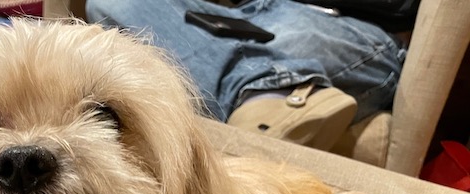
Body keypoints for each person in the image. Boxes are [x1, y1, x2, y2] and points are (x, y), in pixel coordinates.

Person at [85, 0, 412, 151]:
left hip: (347, 26)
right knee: (114, 2)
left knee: (286, 40)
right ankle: (251, 88)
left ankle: (273, 94)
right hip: (251, 11)